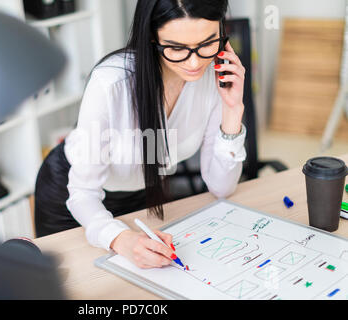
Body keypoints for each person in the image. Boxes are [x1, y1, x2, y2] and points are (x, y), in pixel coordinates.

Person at [35, 0, 246, 269]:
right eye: (177, 48)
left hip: (142, 193)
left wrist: (232, 109)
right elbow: (83, 193)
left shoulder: (212, 77)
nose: (195, 62)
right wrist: (120, 239)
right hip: (71, 195)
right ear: (151, 37)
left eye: (207, 43)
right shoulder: (110, 84)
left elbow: (221, 187)